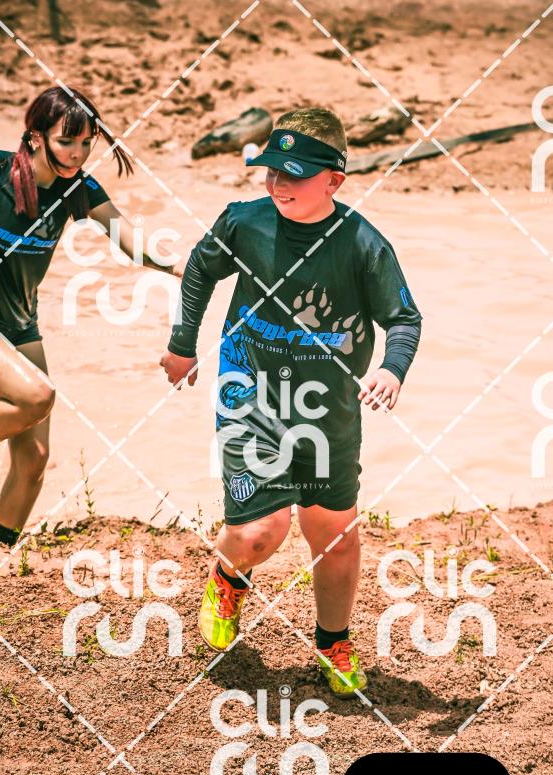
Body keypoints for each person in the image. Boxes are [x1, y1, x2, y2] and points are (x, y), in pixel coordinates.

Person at [160, 108, 422, 699]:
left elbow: (404, 318)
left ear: (334, 180)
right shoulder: (244, 222)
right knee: (261, 530)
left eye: (294, 175)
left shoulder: (363, 244)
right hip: (249, 391)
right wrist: (182, 345)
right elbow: (199, 269)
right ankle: (229, 578)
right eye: (272, 170)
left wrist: (391, 368)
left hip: (328, 410)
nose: (277, 184)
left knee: (333, 534)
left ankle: (333, 641)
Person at [0, 86, 179, 546]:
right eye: (66, 141)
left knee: (34, 458)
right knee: (37, 395)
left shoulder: (77, 189)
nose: (77, 153)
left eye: (87, 142)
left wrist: (181, 266)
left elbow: (130, 240)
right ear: (35, 136)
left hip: (19, 324)